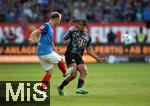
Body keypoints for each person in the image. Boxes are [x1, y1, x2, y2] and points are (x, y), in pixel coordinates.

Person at [29, 12, 73, 97]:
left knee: (49, 73)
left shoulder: (50, 28)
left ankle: (40, 92)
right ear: (56, 19)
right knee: (60, 60)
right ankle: (65, 72)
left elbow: (49, 39)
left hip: (41, 53)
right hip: (45, 51)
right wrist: (31, 38)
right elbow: (37, 31)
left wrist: (54, 48)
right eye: (59, 20)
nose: (59, 22)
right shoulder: (47, 25)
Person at [57, 19, 105, 96]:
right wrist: (67, 41)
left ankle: (78, 88)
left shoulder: (88, 37)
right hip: (70, 54)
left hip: (79, 56)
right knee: (73, 73)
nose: (81, 26)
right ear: (77, 25)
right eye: (79, 24)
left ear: (85, 26)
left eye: (82, 25)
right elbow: (63, 40)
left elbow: (89, 51)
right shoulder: (73, 31)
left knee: (83, 72)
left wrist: (98, 59)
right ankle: (63, 79)